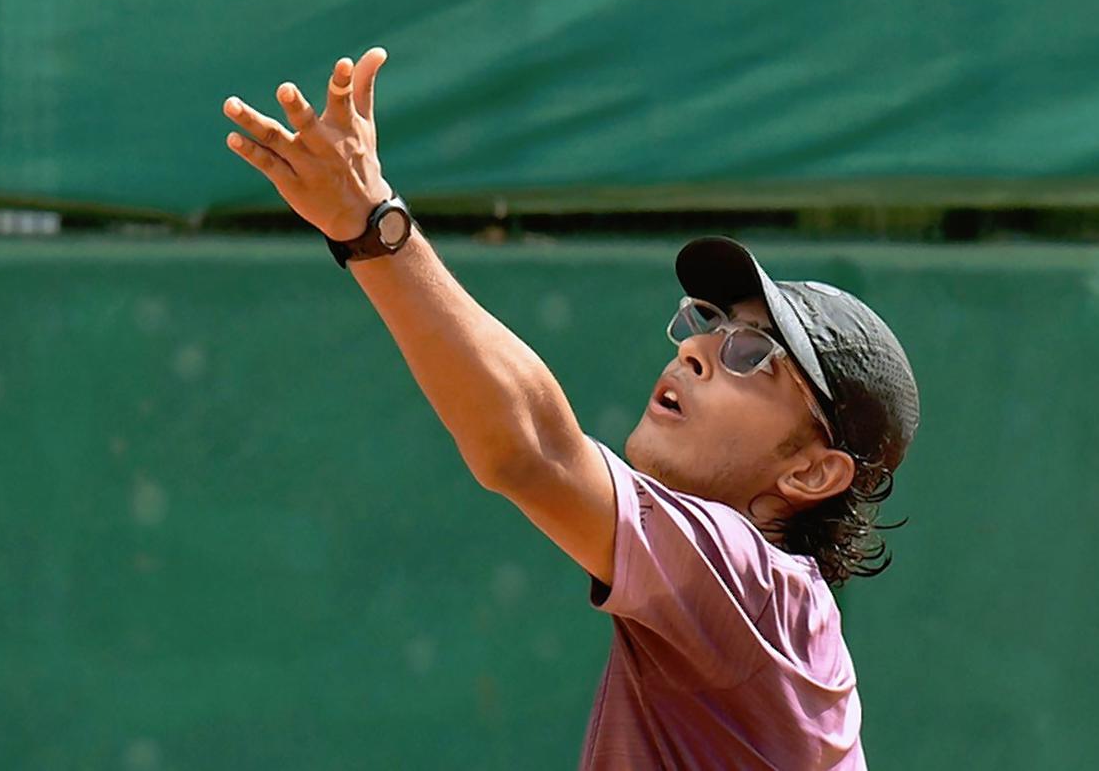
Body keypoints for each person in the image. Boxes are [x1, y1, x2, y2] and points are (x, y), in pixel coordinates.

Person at [222, 48, 921, 770]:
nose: (698, 352)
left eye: (752, 354)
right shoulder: (750, 619)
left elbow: (530, 451)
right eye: (707, 322)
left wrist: (371, 224)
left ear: (812, 474)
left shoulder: (759, 594)